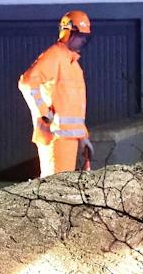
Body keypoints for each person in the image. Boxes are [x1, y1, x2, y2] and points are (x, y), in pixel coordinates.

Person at [18, 10, 93, 177]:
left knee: (61, 190)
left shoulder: (73, 64)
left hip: (67, 140)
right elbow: (27, 82)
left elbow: (74, 109)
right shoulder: (55, 56)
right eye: (80, 35)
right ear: (68, 32)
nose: (82, 40)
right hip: (55, 137)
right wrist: (44, 114)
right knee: (55, 190)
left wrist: (83, 137)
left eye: (84, 37)